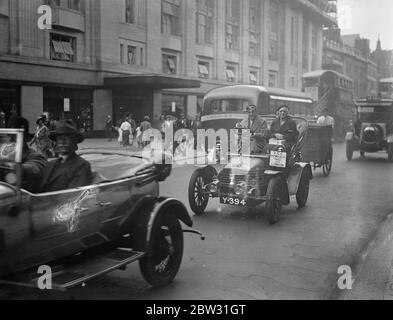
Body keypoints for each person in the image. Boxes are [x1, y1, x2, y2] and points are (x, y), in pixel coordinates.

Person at [39, 119, 92, 193]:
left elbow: (73, 196)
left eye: (67, 138)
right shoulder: (50, 165)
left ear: (74, 141)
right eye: (59, 138)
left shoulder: (82, 165)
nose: (62, 142)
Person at [8, 117, 47, 193]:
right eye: (10, 136)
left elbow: (35, 168)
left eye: (15, 136)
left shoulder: (36, 156)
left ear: (25, 138)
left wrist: (12, 167)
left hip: (26, 200)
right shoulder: (6, 155)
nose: (11, 140)